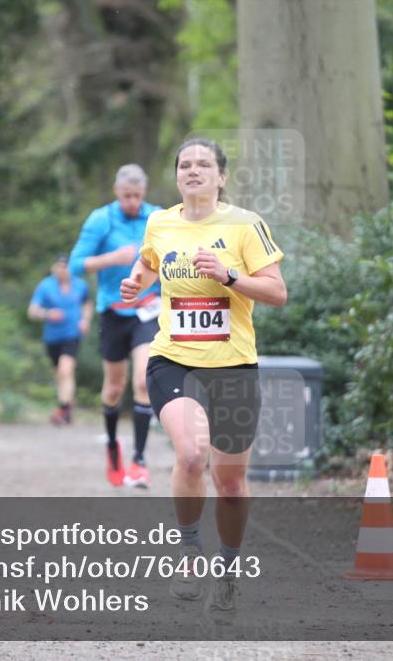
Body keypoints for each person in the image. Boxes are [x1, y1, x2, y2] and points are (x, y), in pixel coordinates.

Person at [120, 138, 286, 621]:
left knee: (230, 482)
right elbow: (149, 264)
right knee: (191, 454)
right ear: (177, 176)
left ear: (221, 176)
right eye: (185, 165)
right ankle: (189, 554)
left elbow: (277, 293)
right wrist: (136, 283)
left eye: (204, 165)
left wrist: (230, 277)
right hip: (174, 359)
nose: (193, 171)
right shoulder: (160, 221)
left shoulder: (245, 225)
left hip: (233, 365)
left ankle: (228, 571)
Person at [69, 164, 162, 488]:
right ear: (116, 192)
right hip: (112, 311)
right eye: (127, 196)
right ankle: (112, 446)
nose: (133, 202)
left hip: (148, 311)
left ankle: (139, 460)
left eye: (138, 196)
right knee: (113, 387)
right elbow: (76, 264)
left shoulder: (158, 218)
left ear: (145, 193)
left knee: (142, 380)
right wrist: (113, 258)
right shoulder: (101, 219)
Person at [27, 255, 93, 426]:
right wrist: (47, 314)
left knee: (66, 369)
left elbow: (87, 303)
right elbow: (32, 311)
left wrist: (85, 320)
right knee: (61, 374)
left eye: (64, 267)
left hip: (72, 334)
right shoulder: (45, 286)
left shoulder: (80, 285)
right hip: (52, 337)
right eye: (57, 267)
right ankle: (67, 407)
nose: (60, 270)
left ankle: (63, 409)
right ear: (53, 268)